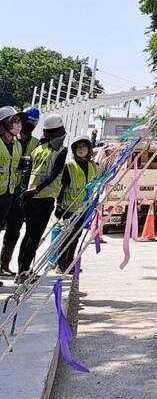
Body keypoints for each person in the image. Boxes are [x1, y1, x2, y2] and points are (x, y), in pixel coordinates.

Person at [16, 114, 67, 282]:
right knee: (34, 235)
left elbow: (26, 173)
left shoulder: (37, 149)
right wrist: (37, 189)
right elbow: (55, 173)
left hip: (31, 196)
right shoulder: (60, 150)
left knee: (29, 234)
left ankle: (21, 269)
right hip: (43, 198)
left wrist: (26, 191)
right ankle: (24, 272)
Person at [0, 107, 39, 278]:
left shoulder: (16, 145)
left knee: (14, 229)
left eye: (19, 121)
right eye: (14, 121)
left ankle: (3, 266)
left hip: (12, 193)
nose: (18, 125)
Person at [55, 136, 97, 275]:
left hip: (84, 207)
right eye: (78, 148)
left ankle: (70, 263)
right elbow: (62, 186)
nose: (81, 150)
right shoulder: (70, 165)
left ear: (89, 150)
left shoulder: (92, 165)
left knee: (76, 236)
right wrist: (59, 205)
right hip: (69, 207)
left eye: (84, 147)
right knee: (67, 236)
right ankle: (60, 264)